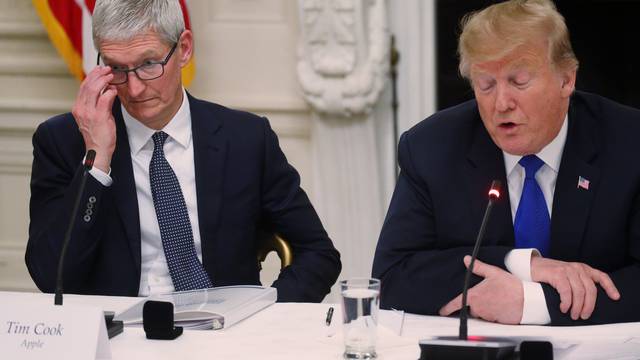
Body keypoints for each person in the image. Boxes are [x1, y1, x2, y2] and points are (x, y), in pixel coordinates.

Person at [26, 0, 341, 302]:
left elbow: (317, 253)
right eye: (117, 69)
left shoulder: (246, 139)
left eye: (149, 64)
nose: (134, 89)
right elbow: (50, 277)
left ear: (184, 49)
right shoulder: (63, 141)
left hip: (225, 340)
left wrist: (264, 316)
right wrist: (96, 160)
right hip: (119, 341)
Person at [372, 0, 640, 325]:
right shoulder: (432, 148)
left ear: (566, 79)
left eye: (519, 82)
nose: (501, 103)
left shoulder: (628, 143)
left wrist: (533, 303)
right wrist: (520, 264)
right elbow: (391, 276)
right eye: (486, 85)